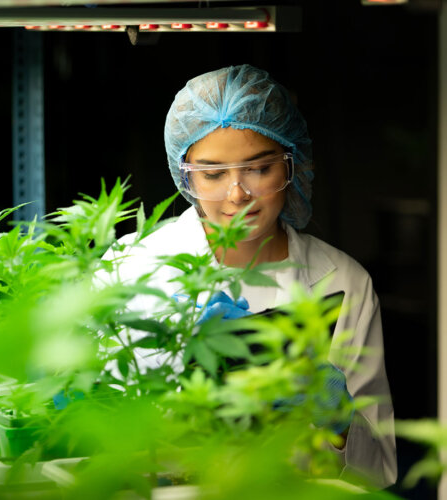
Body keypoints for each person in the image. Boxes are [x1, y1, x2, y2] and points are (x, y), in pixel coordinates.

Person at [99, 64, 397, 488]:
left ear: (291, 165)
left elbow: (377, 472)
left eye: (258, 169)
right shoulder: (131, 266)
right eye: (214, 174)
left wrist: (340, 419)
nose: (237, 194)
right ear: (185, 177)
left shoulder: (343, 282)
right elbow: (96, 438)